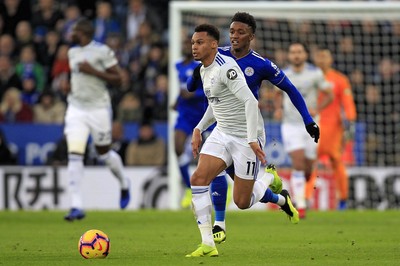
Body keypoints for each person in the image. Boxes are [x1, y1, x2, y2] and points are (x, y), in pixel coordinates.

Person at [188, 12, 321, 244]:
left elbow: (290, 89)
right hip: (223, 125)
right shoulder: (219, 54)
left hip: (248, 131)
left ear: (252, 36)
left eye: (241, 32)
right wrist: (195, 76)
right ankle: (219, 224)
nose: (235, 36)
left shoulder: (261, 64)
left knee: (243, 199)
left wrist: (308, 119)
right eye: (231, 32)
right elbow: (200, 82)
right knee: (209, 173)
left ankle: (271, 183)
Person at [63, 18, 130, 221]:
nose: (71, 33)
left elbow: (119, 80)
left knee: (104, 154)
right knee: (75, 154)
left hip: (98, 109)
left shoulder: (102, 51)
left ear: (83, 32)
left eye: (74, 30)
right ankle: (76, 205)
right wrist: (69, 87)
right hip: (76, 108)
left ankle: (124, 182)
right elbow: (76, 77)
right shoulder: (72, 52)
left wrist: (93, 71)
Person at [274, 42, 333, 219]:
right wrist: (278, 108)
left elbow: (329, 94)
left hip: (311, 124)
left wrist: (318, 108)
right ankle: (300, 205)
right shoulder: (284, 74)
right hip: (291, 124)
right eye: (293, 52)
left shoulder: (315, 73)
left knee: (308, 168)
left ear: (305, 55)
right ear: (289, 56)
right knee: (298, 163)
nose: (296, 55)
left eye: (299, 52)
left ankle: (302, 193)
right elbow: (277, 93)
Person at [306, 47, 357, 209]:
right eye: (319, 56)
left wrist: (351, 120)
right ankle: (306, 198)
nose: (322, 59)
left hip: (334, 128)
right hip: (314, 126)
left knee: (336, 162)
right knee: (311, 162)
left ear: (331, 59)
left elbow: (347, 103)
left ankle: (343, 199)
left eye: (325, 56)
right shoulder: (310, 78)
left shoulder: (340, 80)